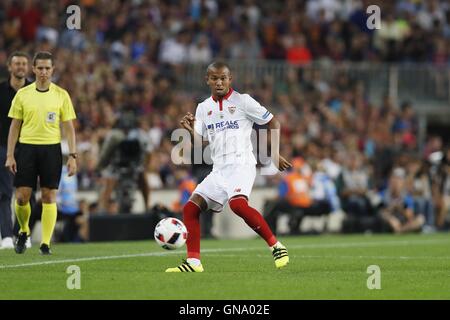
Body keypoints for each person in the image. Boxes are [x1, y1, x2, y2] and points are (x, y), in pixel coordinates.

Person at [165, 61, 292, 272]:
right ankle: (193, 262)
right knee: (190, 208)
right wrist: (189, 130)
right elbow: (200, 142)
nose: (219, 82)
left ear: (229, 79)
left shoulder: (243, 101)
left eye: (223, 78)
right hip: (219, 169)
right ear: (208, 80)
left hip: (241, 164)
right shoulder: (203, 108)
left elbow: (273, 122)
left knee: (238, 205)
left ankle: (276, 246)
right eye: (214, 78)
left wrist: (275, 153)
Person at [5, 51, 77, 255]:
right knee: (21, 197)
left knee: (49, 195)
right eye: (40, 68)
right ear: (34, 69)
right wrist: (10, 155)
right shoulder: (23, 94)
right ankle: (24, 230)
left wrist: (72, 156)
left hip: (51, 149)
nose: (44, 72)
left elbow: (69, 128)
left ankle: (45, 243)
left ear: (52, 70)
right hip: (27, 148)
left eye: (48, 68)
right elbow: (14, 127)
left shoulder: (61, 94)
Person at [0, 51, 32, 250]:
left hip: (30, 147)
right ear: (10, 67)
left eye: (23, 64)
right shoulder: (1, 91)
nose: (20, 67)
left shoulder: (35, 91)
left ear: (27, 68)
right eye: (17, 64)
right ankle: (5, 236)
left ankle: (22, 232)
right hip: (3, 147)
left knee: (27, 194)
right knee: (4, 192)